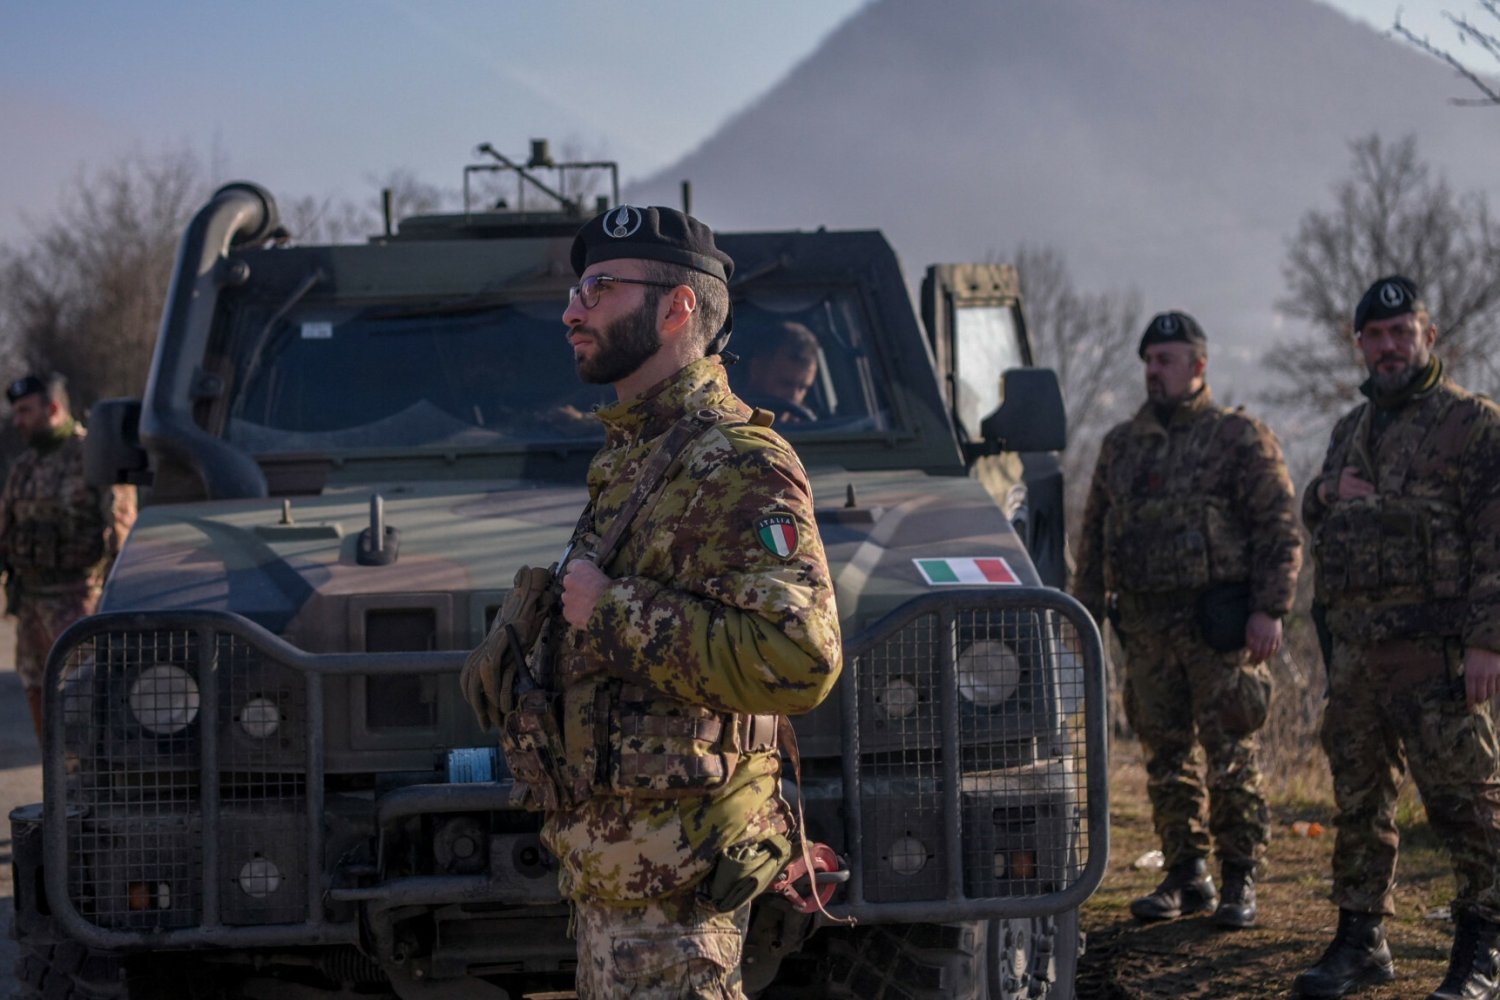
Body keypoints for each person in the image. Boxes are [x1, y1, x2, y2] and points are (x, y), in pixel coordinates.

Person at [467, 206, 842, 998]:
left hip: (681, 886)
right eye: (576, 289)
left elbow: (800, 659)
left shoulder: (736, 462)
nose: (572, 309)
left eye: (600, 288)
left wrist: (611, 611)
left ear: (676, 309)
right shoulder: (638, 454)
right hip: (620, 875)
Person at [1293, 276, 1500, 1000]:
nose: (1387, 347)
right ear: (1360, 344)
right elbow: (1319, 510)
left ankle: (1482, 948)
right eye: (1374, 336)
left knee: (1465, 804)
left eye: (1400, 332)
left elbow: (1496, 538)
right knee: (1359, 802)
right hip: (1357, 657)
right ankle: (1360, 940)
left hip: (1439, 653)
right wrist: (1323, 496)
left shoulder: (1473, 424)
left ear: (1428, 336)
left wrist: (1488, 641)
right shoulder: (1351, 430)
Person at [1074, 311, 1301, 930]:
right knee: (1164, 757)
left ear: (1199, 366)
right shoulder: (1122, 445)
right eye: (1148, 360)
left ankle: (1238, 878)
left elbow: (1278, 528)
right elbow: (1093, 538)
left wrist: (1269, 609)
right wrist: (1082, 619)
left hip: (1217, 627)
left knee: (1230, 755)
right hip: (1145, 629)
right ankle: (1184, 873)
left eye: (1166, 359)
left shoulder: (1238, 438)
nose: (1154, 370)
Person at [0, 373, 135, 745]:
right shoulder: (24, 467)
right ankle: (54, 775)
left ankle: (85, 783)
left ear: (54, 408)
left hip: (80, 601)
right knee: (36, 688)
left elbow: (122, 530)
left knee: (83, 696)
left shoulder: (94, 456)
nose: (19, 421)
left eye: (26, 411)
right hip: (31, 605)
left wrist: (119, 599)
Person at [738, 320, 821, 424]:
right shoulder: (726, 416)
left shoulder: (815, 430)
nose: (794, 396)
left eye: (802, 388)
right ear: (757, 369)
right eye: (786, 383)